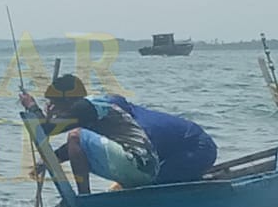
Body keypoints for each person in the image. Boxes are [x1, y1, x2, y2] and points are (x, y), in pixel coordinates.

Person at [42, 75, 217, 184]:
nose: (56, 113)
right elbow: (80, 146)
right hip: (164, 151)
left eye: (57, 107)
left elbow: (54, 129)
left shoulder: (114, 115)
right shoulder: (99, 115)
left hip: (197, 147)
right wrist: (49, 161)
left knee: (155, 182)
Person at [19, 78, 159, 194]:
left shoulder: (85, 107)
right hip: (147, 169)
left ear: (67, 100)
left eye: (55, 104)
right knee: (77, 140)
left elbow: (47, 129)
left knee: (75, 136)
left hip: (136, 161)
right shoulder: (91, 109)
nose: (53, 108)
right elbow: (74, 149)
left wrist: (32, 106)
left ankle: (84, 195)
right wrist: (46, 162)